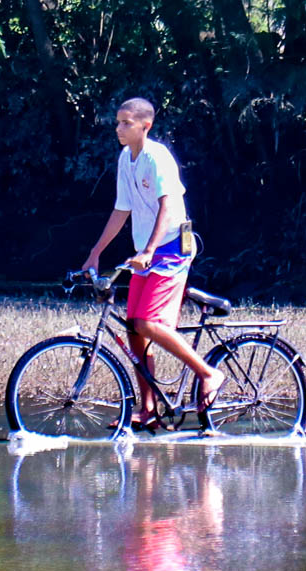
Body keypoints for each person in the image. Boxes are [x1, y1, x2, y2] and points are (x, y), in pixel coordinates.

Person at [81, 98, 224, 431]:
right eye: (118, 122)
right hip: (145, 251)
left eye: (126, 123)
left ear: (145, 125)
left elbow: (168, 207)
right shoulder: (125, 159)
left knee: (147, 322)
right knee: (133, 327)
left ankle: (208, 372)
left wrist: (149, 249)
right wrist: (95, 252)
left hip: (172, 247)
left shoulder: (157, 158)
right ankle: (148, 410)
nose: (119, 128)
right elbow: (121, 210)